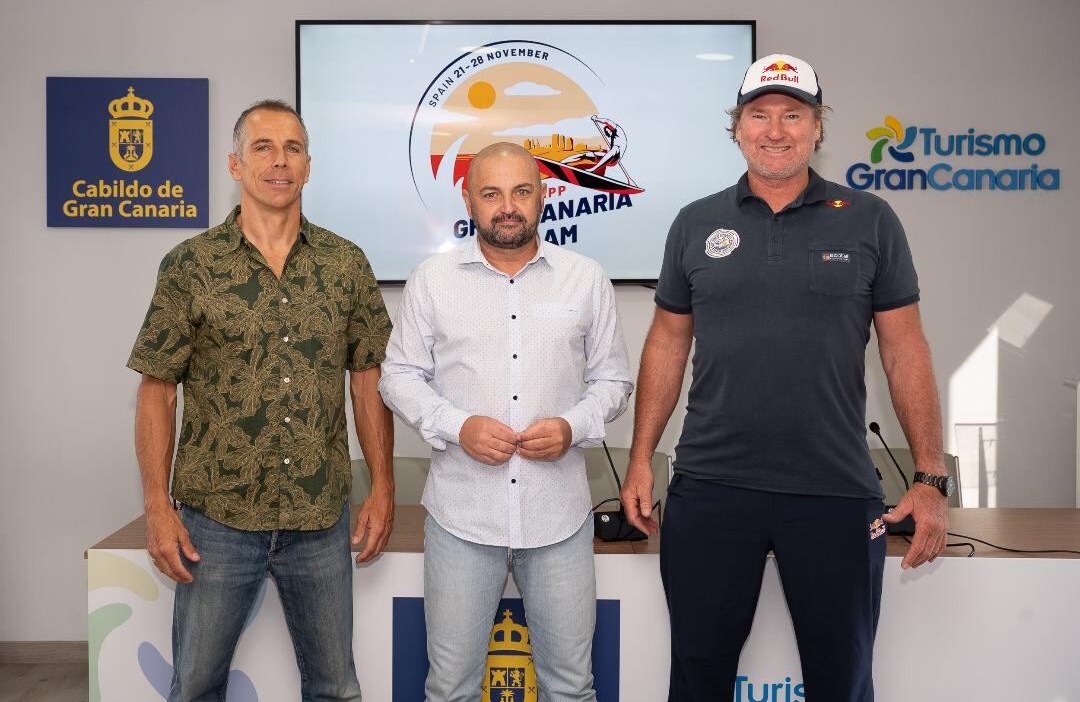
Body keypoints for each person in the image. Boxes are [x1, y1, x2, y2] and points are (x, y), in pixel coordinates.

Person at [619, 54, 954, 701]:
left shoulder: (870, 219)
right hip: (711, 489)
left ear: (818, 127)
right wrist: (640, 460)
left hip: (835, 492)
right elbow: (667, 342)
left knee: (842, 683)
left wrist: (930, 476)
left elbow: (905, 351)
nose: (775, 130)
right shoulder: (695, 222)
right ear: (737, 128)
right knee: (696, 681)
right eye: (760, 115)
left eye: (793, 115)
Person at [128, 100, 394, 702]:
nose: (279, 161)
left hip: (319, 518)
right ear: (235, 164)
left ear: (309, 166)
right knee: (196, 687)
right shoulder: (190, 266)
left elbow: (367, 380)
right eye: (263, 148)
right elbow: (157, 390)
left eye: (292, 149)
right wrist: (157, 506)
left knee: (335, 688)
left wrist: (383, 487)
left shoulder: (345, 264)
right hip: (215, 519)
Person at [379, 142, 633, 702]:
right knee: (451, 688)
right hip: (462, 519)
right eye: (491, 193)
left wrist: (571, 427)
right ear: (468, 200)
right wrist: (457, 425)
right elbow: (397, 377)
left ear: (543, 196)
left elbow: (614, 382)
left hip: (559, 518)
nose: (508, 207)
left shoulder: (585, 278)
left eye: (521, 191)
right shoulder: (432, 279)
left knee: (572, 687)